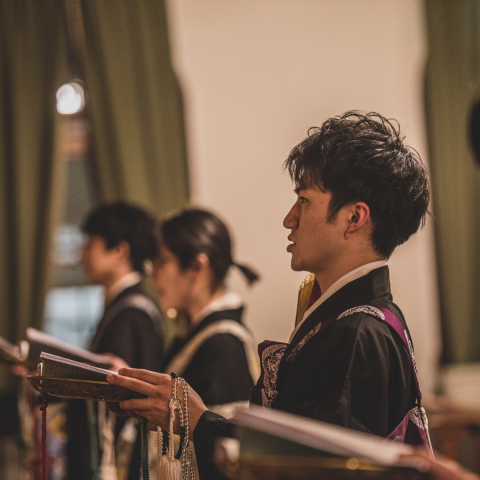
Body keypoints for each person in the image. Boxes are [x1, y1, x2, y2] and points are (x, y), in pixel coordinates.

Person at [106, 111, 432, 479]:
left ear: (354, 218)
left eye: (303, 200)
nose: (289, 219)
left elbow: (305, 471)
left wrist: (197, 420)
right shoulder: (356, 318)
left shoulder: (356, 331)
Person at [67, 201, 164, 480]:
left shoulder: (131, 314)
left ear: (120, 251)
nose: (81, 255)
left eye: (90, 245)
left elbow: (117, 406)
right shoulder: (123, 309)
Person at [153, 208, 260, 417]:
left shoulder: (223, 344)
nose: (153, 275)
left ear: (197, 266)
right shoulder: (197, 334)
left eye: (162, 262)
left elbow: (221, 434)